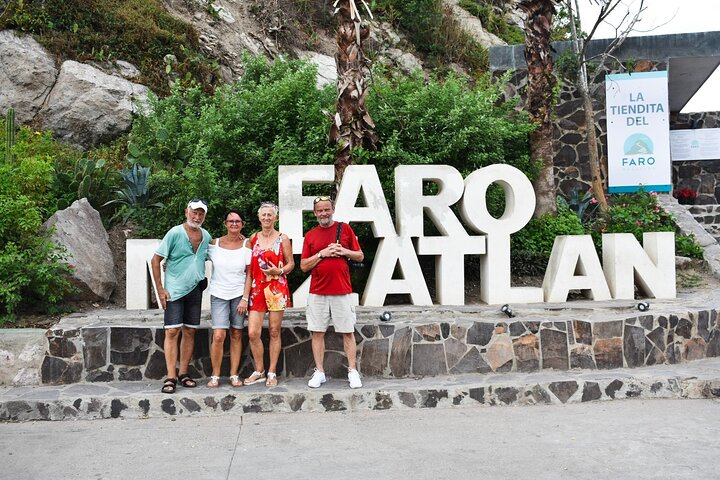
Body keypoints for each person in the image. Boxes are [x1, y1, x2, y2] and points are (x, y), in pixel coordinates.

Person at [300, 195, 364, 389]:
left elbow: (359, 255)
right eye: (319, 210)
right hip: (318, 292)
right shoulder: (311, 235)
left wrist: (343, 250)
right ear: (315, 213)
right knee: (317, 332)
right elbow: (303, 266)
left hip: (342, 290)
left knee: (347, 332)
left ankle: (352, 371)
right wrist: (322, 254)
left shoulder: (345, 229)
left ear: (333, 209)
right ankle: (320, 372)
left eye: (326, 209)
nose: (323, 213)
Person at [151, 198, 211, 394]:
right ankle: (170, 376)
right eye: (194, 212)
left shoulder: (206, 236)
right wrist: (160, 289)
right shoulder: (175, 233)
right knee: (172, 331)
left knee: (190, 331)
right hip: (174, 291)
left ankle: (184, 373)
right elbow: (156, 260)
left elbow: (224, 250)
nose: (197, 216)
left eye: (201, 213)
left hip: (195, 290)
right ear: (187, 212)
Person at [240, 201, 294, 387]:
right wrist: (245, 296)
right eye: (263, 215)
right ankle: (259, 370)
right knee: (253, 332)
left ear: (275, 217)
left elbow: (291, 264)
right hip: (256, 288)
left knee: (274, 331)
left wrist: (278, 272)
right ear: (259, 217)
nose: (266, 218)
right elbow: (248, 271)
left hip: (277, 288)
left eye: (270, 214)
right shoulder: (252, 239)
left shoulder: (283, 238)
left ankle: (271, 371)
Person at [206, 210, 252, 388]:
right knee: (218, 335)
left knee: (236, 333)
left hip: (239, 295)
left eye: (238, 221)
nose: (234, 224)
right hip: (218, 294)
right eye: (230, 221)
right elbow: (193, 256)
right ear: (225, 223)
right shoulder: (214, 244)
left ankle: (234, 374)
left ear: (243, 224)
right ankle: (215, 375)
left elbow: (250, 274)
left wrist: (245, 298)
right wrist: (168, 261)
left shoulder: (247, 245)